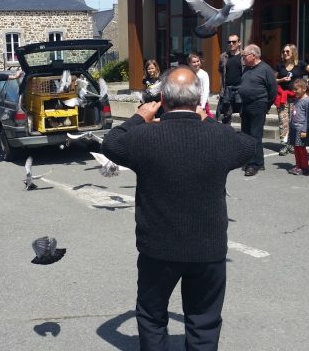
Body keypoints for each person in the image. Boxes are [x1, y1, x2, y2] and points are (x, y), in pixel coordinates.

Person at [101, 66, 255, 351]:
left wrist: (139, 117)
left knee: (151, 316)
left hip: (157, 248)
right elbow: (249, 147)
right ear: (198, 100)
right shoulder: (220, 138)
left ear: (163, 99)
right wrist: (206, 120)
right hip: (207, 248)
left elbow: (111, 143)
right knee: (203, 320)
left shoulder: (145, 137)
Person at [237, 44, 277, 176]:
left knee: (255, 135)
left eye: (245, 55)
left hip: (258, 104)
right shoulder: (247, 68)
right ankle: (255, 161)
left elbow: (273, 90)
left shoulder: (265, 69)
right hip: (246, 104)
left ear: (253, 56)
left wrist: (265, 105)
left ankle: (254, 164)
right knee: (246, 134)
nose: (242, 57)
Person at [274, 44, 309, 156]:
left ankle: (294, 143)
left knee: (296, 121)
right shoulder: (280, 65)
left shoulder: (300, 64)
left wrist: (306, 82)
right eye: (283, 51)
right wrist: (281, 79)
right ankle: (285, 144)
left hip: (297, 98)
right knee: (283, 121)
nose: (285, 53)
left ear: (293, 52)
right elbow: (273, 80)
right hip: (283, 97)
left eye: (287, 51)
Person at [288, 78, 309, 175]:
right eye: (293, 89)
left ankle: (304, 167)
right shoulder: (296, 99)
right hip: (294, 127)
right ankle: (298, 166)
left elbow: (307, 117)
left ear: (304, 88)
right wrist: (290, 125)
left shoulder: (308, 101)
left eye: (296, 89)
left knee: (301, 149)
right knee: (296, 148)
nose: (294, 91)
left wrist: (304, 130)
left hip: (301, 128)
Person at [218, 34, 243, 124]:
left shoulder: (244, 56)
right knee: (226, 115)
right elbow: (221, 73)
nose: (231, 44)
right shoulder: (223, 56)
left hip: (240, 89)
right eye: (229, 42)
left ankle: (245, 136)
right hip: (227, 89)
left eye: (234, 42)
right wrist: (221, 90)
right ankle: (227, 136)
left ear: (239, 43)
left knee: (243, 113)